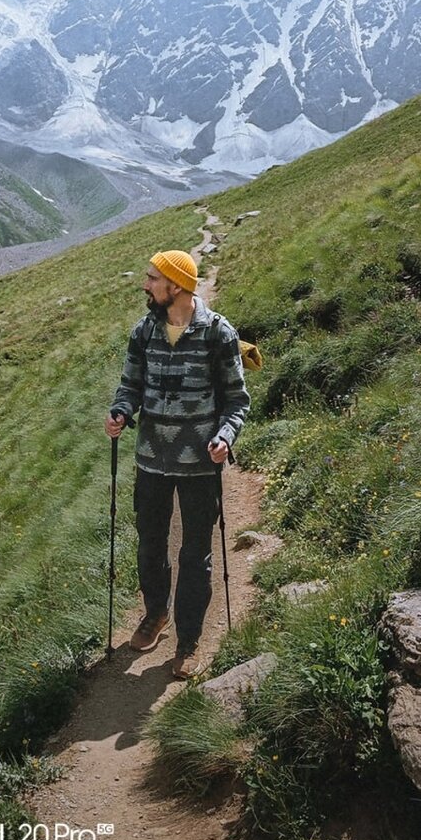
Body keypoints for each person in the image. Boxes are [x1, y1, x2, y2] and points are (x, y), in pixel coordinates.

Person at [105, 249, 250, 679]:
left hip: (200, 466)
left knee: (195, 553)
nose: (146, 285)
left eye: (153, 278)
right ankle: (155, 615)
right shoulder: (143, 332)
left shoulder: (217, 334)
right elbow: (130, 385)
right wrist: (120, 411)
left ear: (177, 286)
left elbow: (237, 401)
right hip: (151, 459)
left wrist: (225, 436)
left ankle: (188, 642)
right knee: (150, 545)